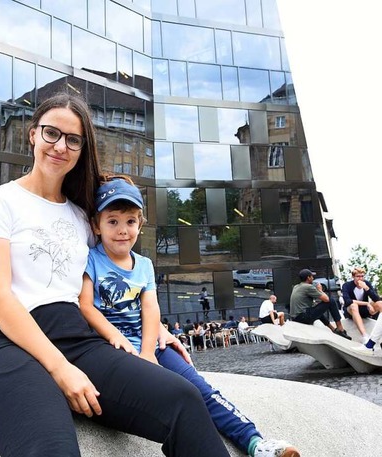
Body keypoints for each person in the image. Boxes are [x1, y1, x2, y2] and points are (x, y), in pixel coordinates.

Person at [0, 93, 229, 456]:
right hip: (7, 339)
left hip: (76, 335)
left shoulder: (82, 217)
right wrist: (60, 368)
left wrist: (160, 331)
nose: (60, 146)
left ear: (82, 149)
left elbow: (112, 277)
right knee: (51, 447)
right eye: (51, 133)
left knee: (182, 398)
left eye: (73, 139)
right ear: (33, 135)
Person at [79, 176, 299, 457]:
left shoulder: (144, 265)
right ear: (97, 225)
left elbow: (150, 308)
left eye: (130, 222)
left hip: (150, 345)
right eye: (113, 222)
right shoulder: (92, 259)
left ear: (140, 224)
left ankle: (255, 442)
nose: (123, 230)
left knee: (200, 389)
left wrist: (148, 353)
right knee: (172, 399)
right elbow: (85, 305)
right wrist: (115, 338)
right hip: (115, 350)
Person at [290, 269, 351, 339]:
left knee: (317, 309)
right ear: (308, 278)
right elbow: (326, 299)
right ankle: (340, 329)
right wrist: (320, 290)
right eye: (312, 276)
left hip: (295, 318)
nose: (313, 278)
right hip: (303, 317)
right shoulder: (308, 287)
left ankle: (333, 329)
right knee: (331, 301)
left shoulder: (296, 286)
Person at [341, 267, 382, 343]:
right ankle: (365, 337)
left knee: (380, 304)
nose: (360, 278)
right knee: (354, 305)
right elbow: (347, 301)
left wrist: (366, 288)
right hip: (351, 312)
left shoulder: (367, 284)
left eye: (362, 276)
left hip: (364, 311)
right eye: (358, 276)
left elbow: (377, 299)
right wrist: (366, 303)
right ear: (353, 277)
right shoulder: (347, 285)